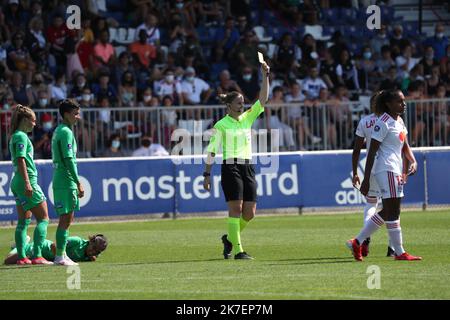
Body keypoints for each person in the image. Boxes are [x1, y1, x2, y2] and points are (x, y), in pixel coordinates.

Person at [203, 60, 270, 260]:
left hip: (248, 166)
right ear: (229, 105)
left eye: (243, 102)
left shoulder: (247, 118)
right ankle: (239, 251)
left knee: (249, 213)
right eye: (239, 102)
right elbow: (212, 151)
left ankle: (230, 239)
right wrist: (207, 174)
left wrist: (266, 75)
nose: (243, 104)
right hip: (230, 166)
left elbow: (263, 99)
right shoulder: (221, 125)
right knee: (236, 208)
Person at [347, 90, 422, 261]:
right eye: (399, 101)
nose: (403, 104)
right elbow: (372, 151)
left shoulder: (399, 121)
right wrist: (366, 179)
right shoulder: (383, 122)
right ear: (388, 104)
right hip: (385, 168)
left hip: (394, 169)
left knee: (389, 210)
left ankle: (357, 242)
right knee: (392, 211)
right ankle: (399, 252)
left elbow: (404, 145)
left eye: (403, 101)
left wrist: (413, 161)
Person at [352, 91, 395, 258]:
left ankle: (365, 238)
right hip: (390, 167)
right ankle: (393, 248)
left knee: (371, 204)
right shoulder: (392, 120)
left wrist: (356, 172)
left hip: (371, 167)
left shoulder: (365, 121)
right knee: (392, 207)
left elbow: (356, 150)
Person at [8, 104, 52, 265]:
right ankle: (38, 256)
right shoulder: (20, 136)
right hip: (26, 180)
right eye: (33, 121)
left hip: (16, 182)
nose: (35, 124)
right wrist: (28, 182)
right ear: (25, 119)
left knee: (23, 221)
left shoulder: (15, 136)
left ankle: (22, 257)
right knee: (44, 218)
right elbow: (21, 159)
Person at [51, 99, 84, 266]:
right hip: (66, 179)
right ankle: (60, 257)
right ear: (66, 114)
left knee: (66, 218)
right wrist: (78, 182)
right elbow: (69, 159)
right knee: (66, 218)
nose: (78, 117)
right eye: (75, 114)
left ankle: (61, 255)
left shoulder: (60, 130)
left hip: (60, 178)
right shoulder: (65, 132)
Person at [4, 234, 108, 265]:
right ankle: (23, 243)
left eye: (97, 251)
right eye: (94, 248)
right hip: (41, 248)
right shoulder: (77, 241)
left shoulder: (90, 256)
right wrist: (59, 260)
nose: (94, 251)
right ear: (91, 241)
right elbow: (54, 245)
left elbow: (92, 256)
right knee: (7, 261)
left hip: (44, 257)